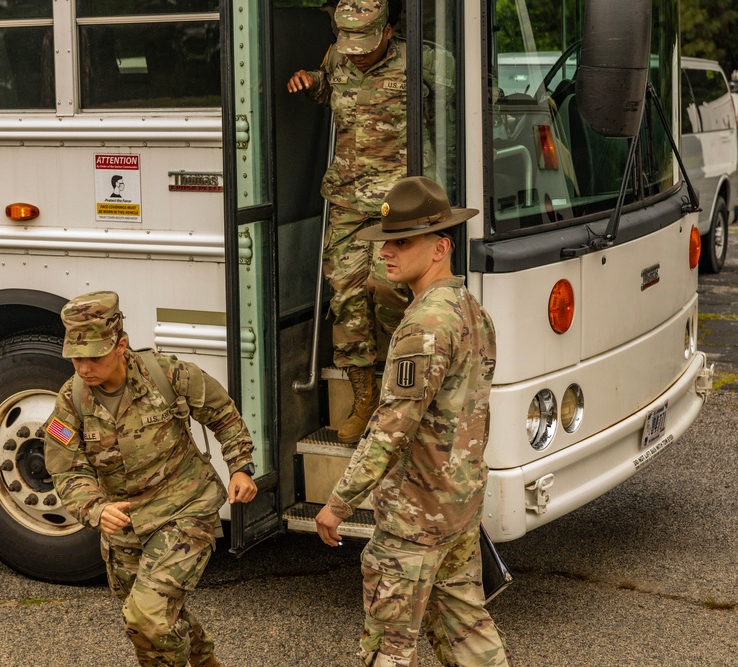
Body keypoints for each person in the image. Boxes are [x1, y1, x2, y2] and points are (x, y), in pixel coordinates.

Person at [315, 177, 512, 667]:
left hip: (415, 517)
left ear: (441, 246)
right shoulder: (471, 311)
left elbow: (390, 429)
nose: (387, 252)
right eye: (385, 242)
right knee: (468, 631)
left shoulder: (425, 325)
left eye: (402, 242)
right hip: (457, 505)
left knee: (388, 647)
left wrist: (339, 504)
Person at [43, 291, 257, 667]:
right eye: (76, 358)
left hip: (185, 507)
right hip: (124, 525)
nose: (84, 368)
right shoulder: (71, 400)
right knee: (153, 618)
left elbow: (223, 414)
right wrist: (95, 508)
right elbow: (66, 467)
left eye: (94, 356)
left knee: (146, 619)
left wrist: (240, 466)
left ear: (120, 345)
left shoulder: (169, 375)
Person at [286, 0, 413, 444]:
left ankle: (407, 390)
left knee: (387, 286)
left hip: (398, 203)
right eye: (351, 45)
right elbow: (331, 92)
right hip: (345, 199)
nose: (357, 54)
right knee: (346, 297)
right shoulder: (337, 56)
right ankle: (365, 398)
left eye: (366, 45)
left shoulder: (422, 59)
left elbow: (466, 108)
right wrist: (312, 82)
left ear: (389, 30)